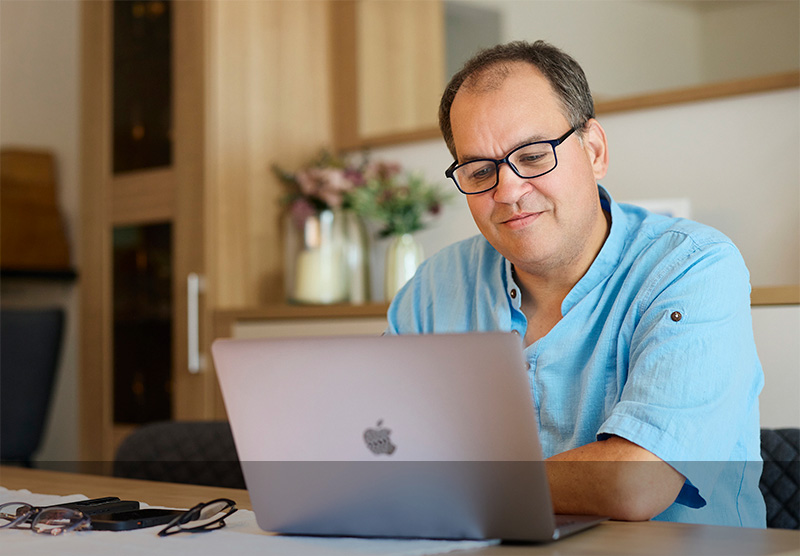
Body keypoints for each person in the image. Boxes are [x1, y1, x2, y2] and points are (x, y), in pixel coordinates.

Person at [385, 40, 765, 527]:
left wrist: (450, 482)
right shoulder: (435, 287)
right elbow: (380, 451)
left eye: (534, 155)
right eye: (480, 170)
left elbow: (637, 483)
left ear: (594, 151)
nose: (508, 191)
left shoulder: (694, 267)